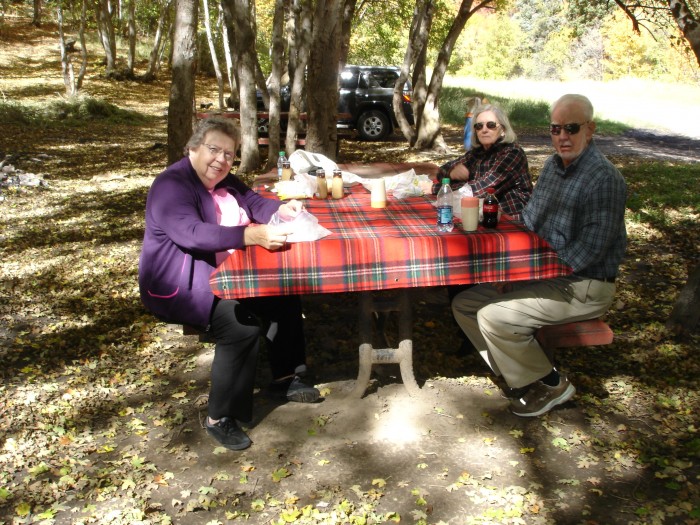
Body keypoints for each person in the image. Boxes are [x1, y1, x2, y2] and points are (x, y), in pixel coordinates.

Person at [138, 116, 319, 451]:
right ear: (192, 148)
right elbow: (191, 234)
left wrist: (284, 209)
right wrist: (249, 235)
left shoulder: (226, 180)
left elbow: (253, 202)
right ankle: (220, 417)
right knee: (240, 325)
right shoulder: (171, 186)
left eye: (229, 153)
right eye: (213, 150)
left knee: (283, 294)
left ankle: (285, 378)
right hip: (182, 285)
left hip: (227, 272)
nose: (221, 159)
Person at [451, 94, 627, 417]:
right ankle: (516, 375)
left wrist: (532, 277)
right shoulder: (552, 166)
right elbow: (529, 220)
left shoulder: (604, 179)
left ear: (590, 129)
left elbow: (589, 251)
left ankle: (551, 383)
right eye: (555, 128)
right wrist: (510, 269)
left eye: (571, 128)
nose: (562, 136)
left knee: (493, 316)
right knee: (464, 304)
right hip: (549, 273)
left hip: (585, 284)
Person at [424, 103, 533, 221]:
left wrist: (437, 188)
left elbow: (481, 188)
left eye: (491, 125)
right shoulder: (477, 153)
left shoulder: (512, 153)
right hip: (482, 215)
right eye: (479, 126)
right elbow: (442, 171)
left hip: (513, 221)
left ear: (503, 129)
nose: (484, 130)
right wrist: (451, 174)